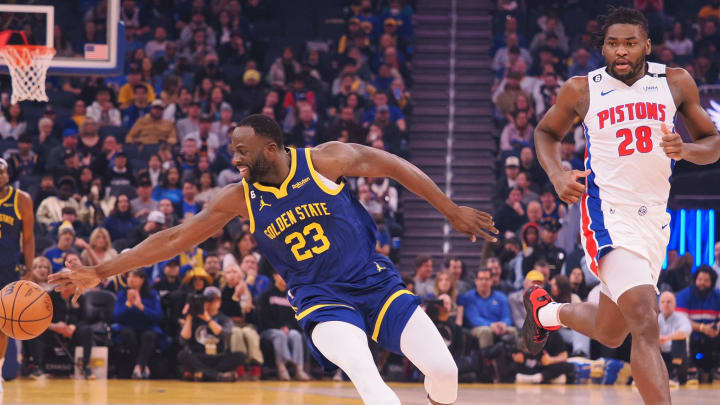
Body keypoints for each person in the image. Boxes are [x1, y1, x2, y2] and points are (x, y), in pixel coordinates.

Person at [51, 114, 497, 405]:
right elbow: (174, 238)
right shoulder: (239, 198)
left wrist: (450, 209)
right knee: (367, 376)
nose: (234, 157)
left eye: (242, 150)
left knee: (445, 371)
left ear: (269, 148)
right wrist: (100, 270)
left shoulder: (325, 161)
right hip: (322, 300)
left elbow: (396, 166)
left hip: (375, 285)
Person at [526, 7, 720, 405]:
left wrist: (685, 149)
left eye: (631, 43)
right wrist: (558, 173)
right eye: (613, 44)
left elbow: (713, 144)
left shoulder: (675, 82)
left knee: (611, 329)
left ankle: (545, 312)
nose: (622, 52)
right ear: (603, 48)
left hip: (653, 221)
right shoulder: (582, 89)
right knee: (645, 319)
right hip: (606, 216)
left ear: (646, 45)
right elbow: (545, 132)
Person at [0, 158, 34, 390]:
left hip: (7, 268)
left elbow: (29, 238)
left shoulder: (22, 199)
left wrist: (30, 270)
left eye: (1, 171)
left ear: (8, 175)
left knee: (2, 322)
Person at [178, 286, 245, 381]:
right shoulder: (195, 317)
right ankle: (218, 376)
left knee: (240, 355)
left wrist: (208, 319)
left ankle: (202, 373)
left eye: (214, 300)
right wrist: (189, 318)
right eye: (207, 300)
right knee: (183, 355)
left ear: (219, 303)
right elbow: (183, 340)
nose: (210, 303)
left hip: (218, 356)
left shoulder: (224, 319)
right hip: (200, 356)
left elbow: (225, 335)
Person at [258, 272, 311, 381]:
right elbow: (262, 317)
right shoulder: (266, 295)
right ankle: (282, 368)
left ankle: (298, 369)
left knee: (296, 335)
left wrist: (288, 327)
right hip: (269, 330)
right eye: (280, 275)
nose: (283, 278)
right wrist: (279, 327)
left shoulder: (291, 297)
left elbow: (296, 317)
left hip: (288, 329)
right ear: (275, 276)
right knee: (280, 335)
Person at [113, 269, 163, 379]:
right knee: (128, 334)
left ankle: (138, 366)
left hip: (147, 326)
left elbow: (158, 316)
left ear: (142, 280)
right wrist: (128, 305)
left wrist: (141, 307)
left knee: (149, 335)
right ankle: (141, 366)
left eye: (134, 277)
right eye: (129, 277)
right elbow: (116, 316)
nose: (131, 279)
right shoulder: (122, 294)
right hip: (128, 327)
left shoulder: (152, 294)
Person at [675, 266, 720, 382]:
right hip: (692, 335)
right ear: (695, 280)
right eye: (700, 279)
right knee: (681, 333)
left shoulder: (717, 295)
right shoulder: (685, 295)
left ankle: (717, 370)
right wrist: (702, 328)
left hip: (714, 335)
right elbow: (680, 319)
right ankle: (689, 369)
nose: (702, 283)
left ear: (712, 282)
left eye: (706, 280)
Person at [459, 268, 517, 350]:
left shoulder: (501, 296)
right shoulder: (469, 297)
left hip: (499, 326)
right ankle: (487, 360)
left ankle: (514, 359)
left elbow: (507, 316)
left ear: (491, 281)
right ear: (476, 281)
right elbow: (474, 319)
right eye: (481, 279)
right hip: (477, 327)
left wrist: (503, 324)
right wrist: (491, 325)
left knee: (512, 330)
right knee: (485, 331)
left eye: (486, 279)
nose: (484, 282)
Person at [658, 291, 691, 384]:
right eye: (663, 302)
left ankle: (676, 374)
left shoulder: (681, 317)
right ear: (659, 304)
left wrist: (667, 338)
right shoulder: (656, 318)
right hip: (662, 355)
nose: (666, 304)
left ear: (674, 304)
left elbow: (686, 331)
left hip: (677, 355)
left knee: (679, 340)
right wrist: (657, 340)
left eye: (669, 302)